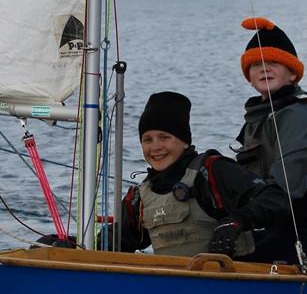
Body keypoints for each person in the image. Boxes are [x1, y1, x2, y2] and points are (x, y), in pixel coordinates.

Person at [209, 17, 307, 269]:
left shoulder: (298, 115)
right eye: (256, 64)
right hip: (273, 228)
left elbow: (286, 187)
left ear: (292, 74)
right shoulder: (258, 118)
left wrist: (239, 220)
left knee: (219, 263)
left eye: (273, 62)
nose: (264, 68)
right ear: (248, 76)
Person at [120, 90, 287, 257]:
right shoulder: (139, 197)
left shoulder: (212, 171)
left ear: (185, 141)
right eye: (147, 140)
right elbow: (118, 241)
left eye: (164, 137)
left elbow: (275, 199)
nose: (155, 147)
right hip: (173, 279)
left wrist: (236, 221)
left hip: (232, 277)